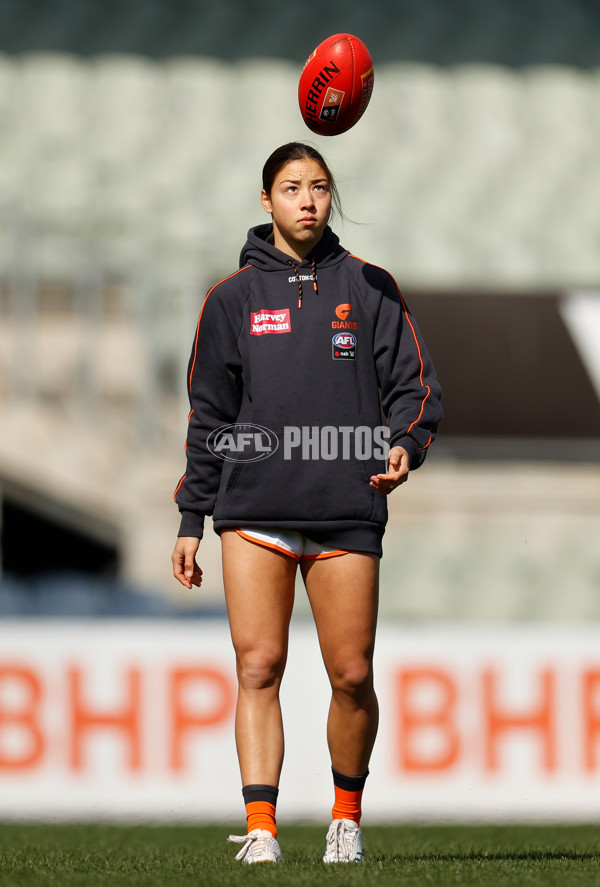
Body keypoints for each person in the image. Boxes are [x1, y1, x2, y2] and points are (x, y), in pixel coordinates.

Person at [171, 142, 442, 864]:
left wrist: (403, 445)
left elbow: (416, 388)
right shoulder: (230, 299)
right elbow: (209, 415)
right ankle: (261, 826)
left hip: (345, 506)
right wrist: (192, 517)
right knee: (259, 666)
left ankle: (345, 817)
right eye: (291, 188)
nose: (308, 200)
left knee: (351, 674)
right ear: (266, 201)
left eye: (320, 187)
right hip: (252, 509)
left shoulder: (372, 286)